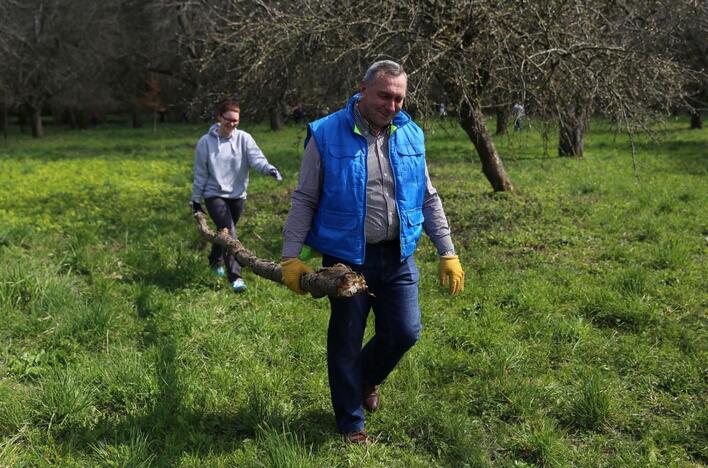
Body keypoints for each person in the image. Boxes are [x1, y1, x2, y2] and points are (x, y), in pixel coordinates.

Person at [279, 60, 465, 444]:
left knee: (405, 331)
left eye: (399, 97)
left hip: (398, 254)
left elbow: (428, 198)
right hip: (347, 258)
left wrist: (447, 250)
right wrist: (290, 255)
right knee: (346, 338)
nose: (391, 105)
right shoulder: (326, 133)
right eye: (384, 95)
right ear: (361, 89)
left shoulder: (411, 134)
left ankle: (364, 379)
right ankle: (351, 422)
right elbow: (305, 198)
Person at [191, 97, 282, 293]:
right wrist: (196, 201)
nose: (232, 124)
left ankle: (215, 259)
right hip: (214, 194)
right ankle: (236, 278)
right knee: (230, 234)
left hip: (238, 195)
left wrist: (269, 169)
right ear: (219, 117)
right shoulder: (205, 143)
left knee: (223, 232)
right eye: (228, 119)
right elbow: (200, 173)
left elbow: (256, 159)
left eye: (235, 120)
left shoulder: (244, 138)